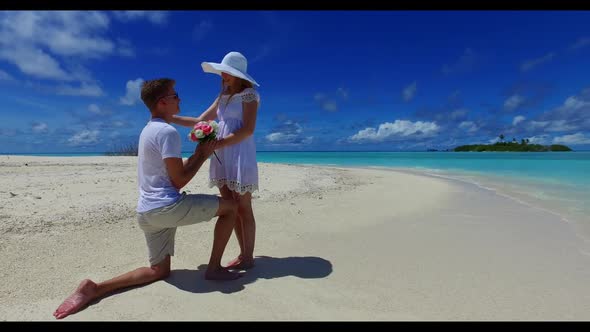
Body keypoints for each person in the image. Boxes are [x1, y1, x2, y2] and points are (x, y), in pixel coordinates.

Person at [53, 78, 240, 320]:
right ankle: (214, 268)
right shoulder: (168, 132)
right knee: (231, 207)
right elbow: (179, 180)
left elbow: (169, 173)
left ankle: (95, 288)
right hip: (166, 208)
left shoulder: (148, 130)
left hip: (146, 213)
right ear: (162, 102)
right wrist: (202, 154)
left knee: (158, 271)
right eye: (175, 95)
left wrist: (197, 155)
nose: (179, 99)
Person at [172, 51, 260, 270]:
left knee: (244, 207)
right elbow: (200, 120)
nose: (223, 76)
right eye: (223, 72)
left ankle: (248, 257)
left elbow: (248, 129)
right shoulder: (221, 97)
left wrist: (218, 144)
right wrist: (168, 117)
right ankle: (242, 254)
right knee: (231, 205)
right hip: (222, 156)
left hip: (239, 153)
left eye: (228, 73)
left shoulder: (250, 95)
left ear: (240, 75)